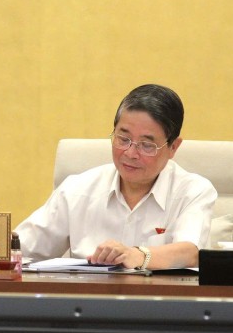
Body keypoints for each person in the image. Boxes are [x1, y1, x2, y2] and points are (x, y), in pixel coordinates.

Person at [15, 84, 216, 270]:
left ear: (173, 147)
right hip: (87, 304)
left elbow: (191, 252)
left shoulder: (193, 191)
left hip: (161, 305)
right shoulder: (77, 190)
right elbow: (19, 248)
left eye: (146, 145)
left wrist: (137, 255)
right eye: (123, 138)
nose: (130, 153)